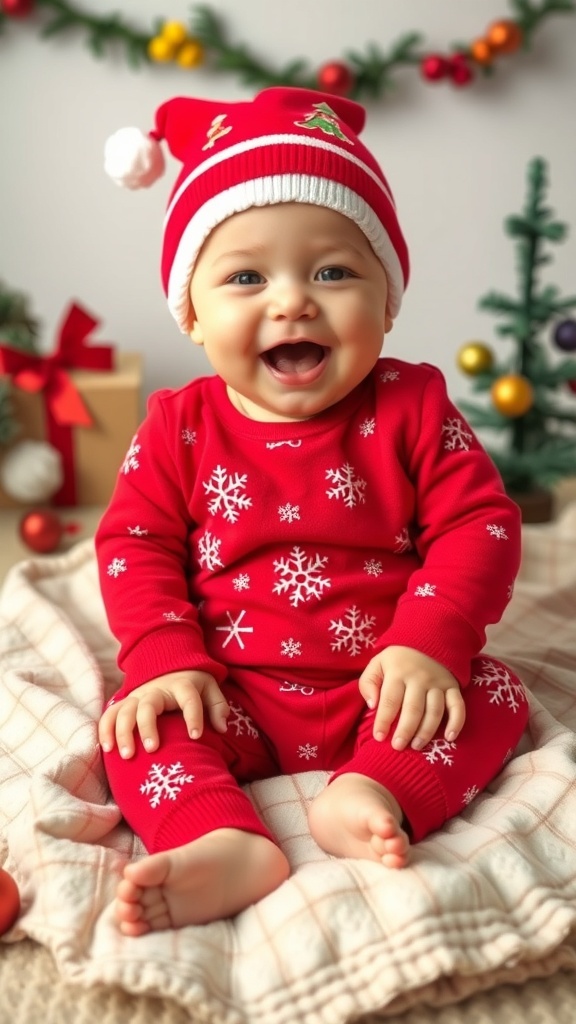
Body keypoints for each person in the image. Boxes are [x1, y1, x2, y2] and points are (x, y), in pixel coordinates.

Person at [96, 86, 529, 936]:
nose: (292, 300)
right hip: (233, 690)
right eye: (247, 277)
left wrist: (427, 645)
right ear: (192, 311)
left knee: (496, 694)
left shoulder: (412, 404)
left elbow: (480, 527)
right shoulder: (178, 425)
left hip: (388, 686)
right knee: (134, 730)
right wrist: (165, 659)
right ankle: (222, 838)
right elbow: (134, 544)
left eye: (333, 271)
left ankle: (375, 789)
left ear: (389, 298)